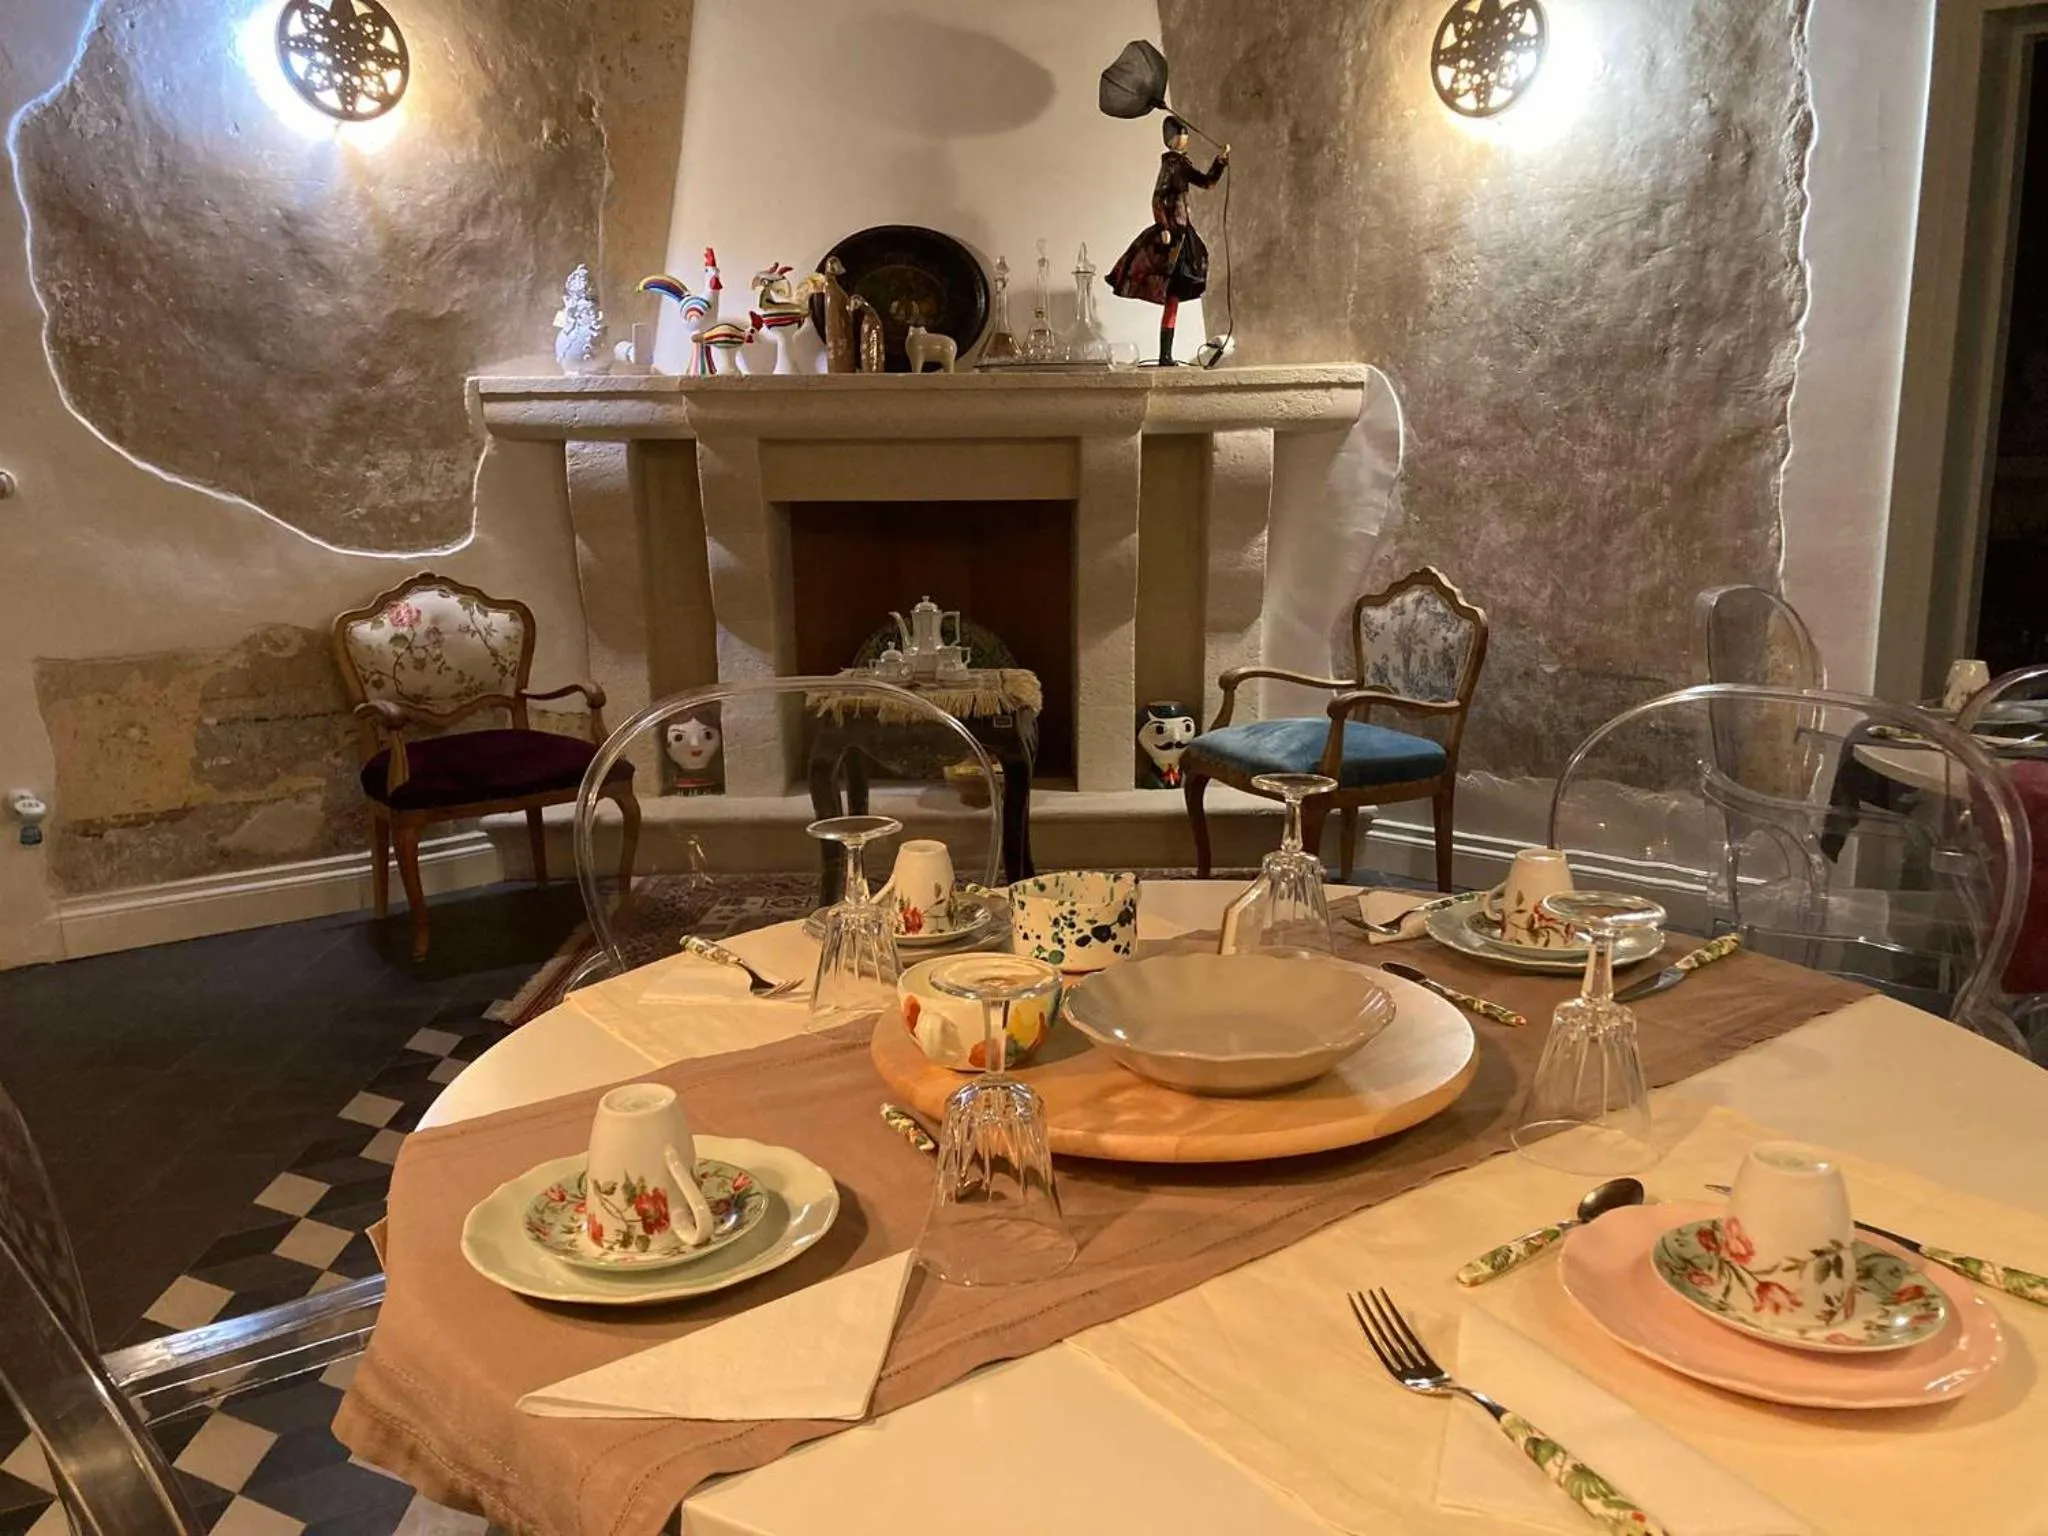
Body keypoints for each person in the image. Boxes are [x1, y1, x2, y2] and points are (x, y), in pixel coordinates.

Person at [1106, 115, 1229, 365]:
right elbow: (1157, 196)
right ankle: (1165, 355)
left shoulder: (1181, 164)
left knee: (1174, 297)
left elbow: (1207, 182)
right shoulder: (1172, 164)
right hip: (1174, 233)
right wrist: (1163, 226)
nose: (1187, 138)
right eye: (1183, 134)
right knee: (1172, 292)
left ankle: (1166, 354)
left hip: (1183, 231)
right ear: (1173, 139)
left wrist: (1220, 162)